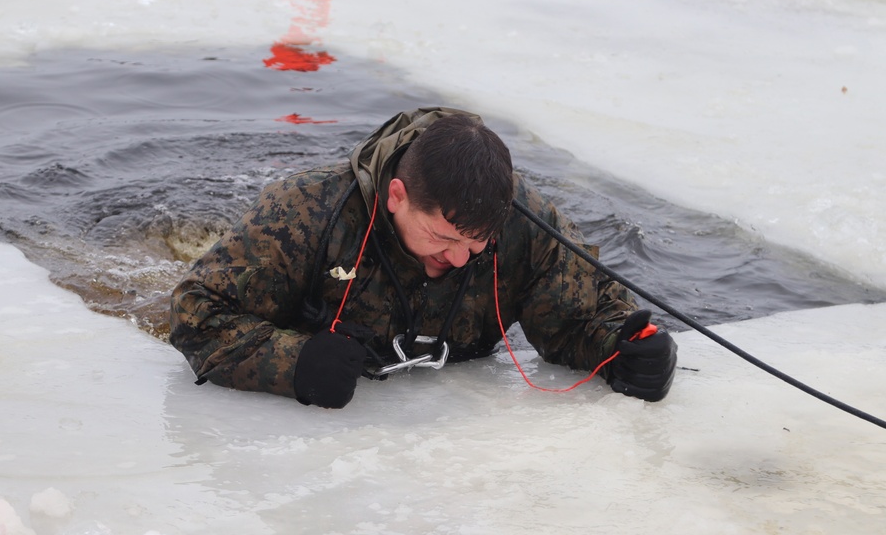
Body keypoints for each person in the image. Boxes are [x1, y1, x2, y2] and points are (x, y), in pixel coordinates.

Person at [169, 107, 677, 409]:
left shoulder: (525, 222)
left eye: (476, 245)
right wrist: (296, 364)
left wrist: (628, 353)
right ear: (396, 197)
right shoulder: (305, 210)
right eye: (441, 238)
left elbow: (582, 319)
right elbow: (197, 313)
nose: (458, 260)